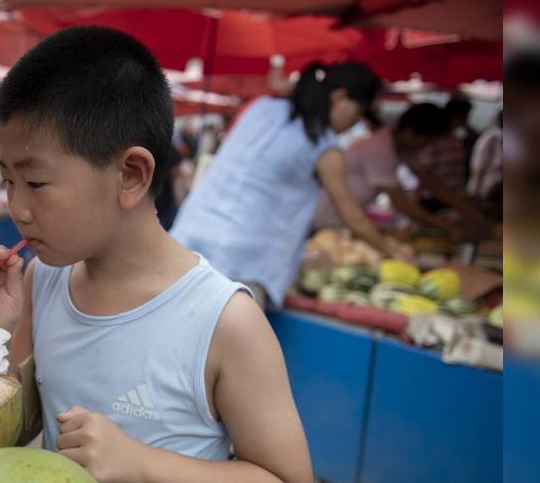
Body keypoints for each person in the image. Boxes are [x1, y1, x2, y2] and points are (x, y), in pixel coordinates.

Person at [0, 27, 312, 483]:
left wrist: (138, 463)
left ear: (131, 174)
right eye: (7, 182)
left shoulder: (224, 321)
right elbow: (21, 424)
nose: (18, 208)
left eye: (36, 183)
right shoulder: (44, 280)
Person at [169, 61, 410, 308]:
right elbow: (353, 219)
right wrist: (394, 254)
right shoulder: (325, 147)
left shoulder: (262, 107)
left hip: (189, 238)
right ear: (340, 97)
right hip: (241, 265)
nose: (354, 124)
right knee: (220, 344)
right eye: (357, 115)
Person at [310, 103, 478, 241]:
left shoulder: (403, 148)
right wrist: (444, 224)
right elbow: (400, 202)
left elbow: (430, 181)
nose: (426, 146)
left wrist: (466, 208)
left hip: (341, 219)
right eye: (426, 140)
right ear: (410, 132)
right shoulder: (380, 149)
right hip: (324, 219)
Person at [469, 111, 502, 203]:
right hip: (488, 189)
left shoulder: (494, 137)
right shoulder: (492, 138)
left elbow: (479, 166)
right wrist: (475, 191)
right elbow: (479, 166)